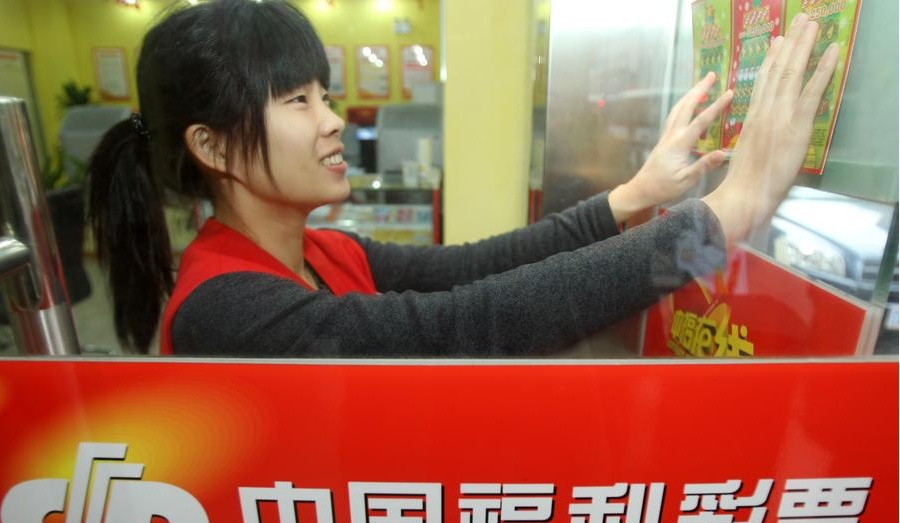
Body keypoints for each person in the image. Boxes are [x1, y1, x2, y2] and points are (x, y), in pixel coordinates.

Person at [87, 0, 837, 357]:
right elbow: (468, 323)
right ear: (212, 147)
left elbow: (477, 268)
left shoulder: (323, 254)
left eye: (323, 93)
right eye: (296, 100)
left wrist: (633, 197)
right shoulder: (226, 308)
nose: (331, 120)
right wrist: (725, 213)